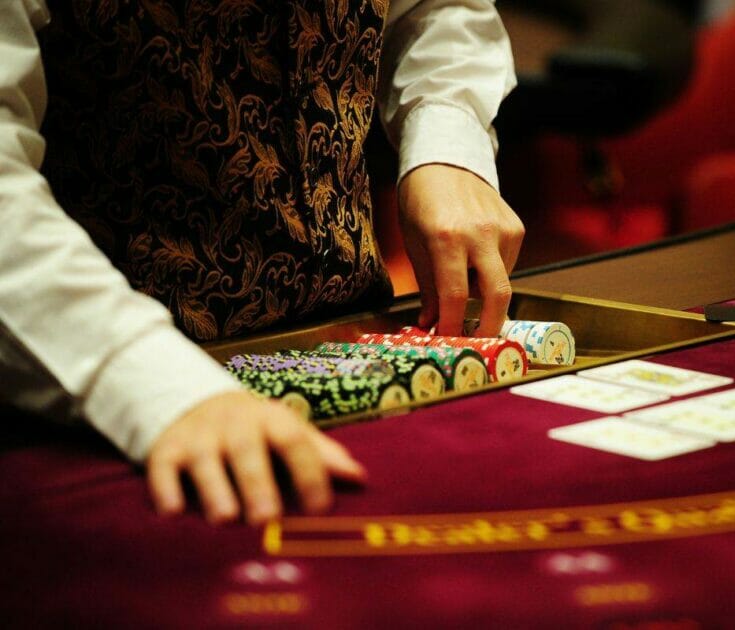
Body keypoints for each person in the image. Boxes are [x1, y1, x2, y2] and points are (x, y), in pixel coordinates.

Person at [0, 1, 523, 525]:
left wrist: (445, 140)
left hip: (366, 362)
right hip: (104, 414)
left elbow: (437, 9)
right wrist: (146, 380)